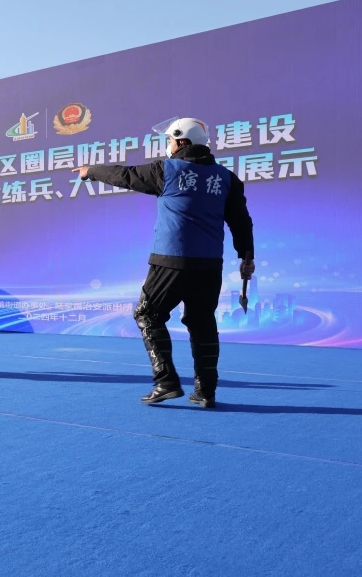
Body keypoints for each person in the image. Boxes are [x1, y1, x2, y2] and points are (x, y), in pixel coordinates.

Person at [74, 116, 254, 409]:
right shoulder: (226, 178)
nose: (168, 145)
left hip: (171, 260)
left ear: (181, 141)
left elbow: (126, 175)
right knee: (202, 322)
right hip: (209, 264)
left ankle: (166, 382)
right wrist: (247, 254)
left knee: (147, 314)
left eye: (170, 140)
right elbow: (241, 221)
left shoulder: (167, 169)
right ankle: (206, 391)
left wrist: (91, 171)